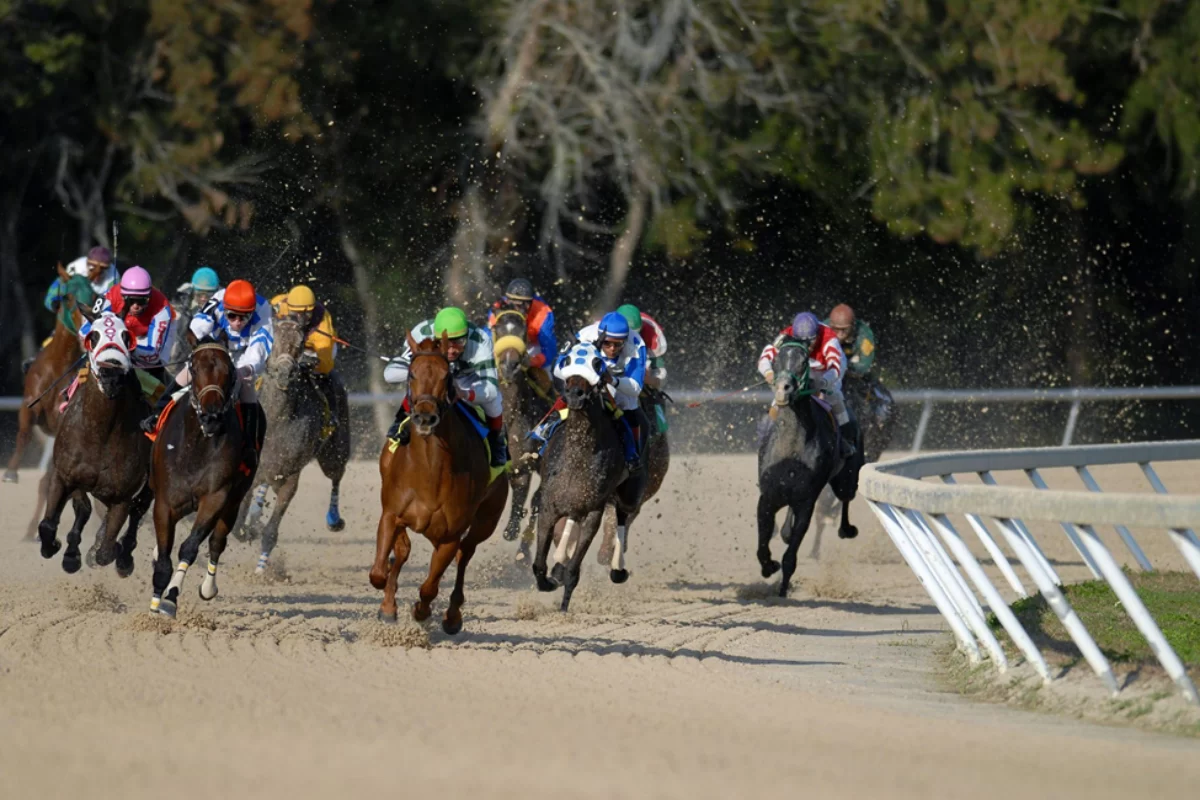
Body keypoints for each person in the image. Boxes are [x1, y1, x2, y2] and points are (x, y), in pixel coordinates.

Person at [140, 279, 273, 466]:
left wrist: (248, 367)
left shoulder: (263, 309)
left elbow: (260, 345)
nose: (237, 322)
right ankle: (156, 414)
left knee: (247, 385)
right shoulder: (218, 299)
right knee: (186, 373)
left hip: (244, 354)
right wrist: (202, 350)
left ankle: (249, 446)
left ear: (252, 312)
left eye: (244, 317)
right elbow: (199, 325)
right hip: (214, 346)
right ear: (225, 308)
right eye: (232, 316)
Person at [384, 307, 509, 468]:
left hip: (466, 378)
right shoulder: (422, 334)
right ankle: (400, 421)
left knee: (495, 400)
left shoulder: (480, 340)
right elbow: (389, 374)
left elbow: (490, 388)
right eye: (446, 343)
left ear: (467, 337)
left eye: (459, 342)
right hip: (434, 377)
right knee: (420, 381)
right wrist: (423, 368)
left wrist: (465, 394)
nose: (451, 349)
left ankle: (496, 439)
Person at [531, 311, 648, 472]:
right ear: (600, 337)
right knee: (568, 397)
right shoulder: (584, 335)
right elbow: (558, 368)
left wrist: (611, 380)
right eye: (607, 343)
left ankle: (632, 455)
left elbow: (635, 387)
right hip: (586, 378)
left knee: (631, 411)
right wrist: (582, 375)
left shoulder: (637, 344)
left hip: (618, 380)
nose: (613, 349)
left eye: (618, 344)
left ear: (625, 340)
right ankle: (543, 433)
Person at [757, 311, 856, 458]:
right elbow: (765, 357)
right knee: (777, 403)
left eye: (811, 340)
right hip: (799, 372)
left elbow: (837, 367)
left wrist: (823, 382)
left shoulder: (829, 339)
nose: (807, 346)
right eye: (801, 340)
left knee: (835, 398)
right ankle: (764, 437)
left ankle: (846, 441)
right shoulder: (786, 335)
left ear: (817, 333)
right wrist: (769, 373)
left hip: (825, 373)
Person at [80, 266, 177, 394]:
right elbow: (84, 330)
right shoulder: (110, 296)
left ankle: (164, 398)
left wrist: (123, 348)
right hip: (121, 335)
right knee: (85, 358)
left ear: (149, 296)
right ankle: (70, 390)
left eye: (142, 301)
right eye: (131, 300)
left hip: (148, 339)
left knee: (155, 366)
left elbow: (153, 355)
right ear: (122, 295)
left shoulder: (162, 308)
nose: (136, 306)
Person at [269, 284, 347, 436]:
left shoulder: (322, 324)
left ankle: (331, 415)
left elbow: (325, 364)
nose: (298, 319)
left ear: (311, 311)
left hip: (315, 348)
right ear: (287, 306)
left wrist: (310, 364)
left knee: (324, 377)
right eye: (294, 313)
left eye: (304, 315)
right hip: (289, 346)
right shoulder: (279, 304)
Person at [486, 277, 557, 396]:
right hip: (505, 345)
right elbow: (489, 339)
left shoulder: (543, 313)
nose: (518, 309)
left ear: (531, 303)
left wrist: (532, 361)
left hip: (533, 346)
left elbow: (550, 350)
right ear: (507, 301)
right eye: (514, 304)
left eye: (522, 305)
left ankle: (553, 405)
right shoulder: (497, 309)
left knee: (548, 373)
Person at [44, 246, 117, 313]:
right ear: (87, 263)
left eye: (103, 268)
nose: (98, 271)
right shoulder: (74, 270)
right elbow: (53, 293)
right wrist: (53, 303)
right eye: (93, 266)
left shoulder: (113, 278)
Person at [616, 303, 667, 389]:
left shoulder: (653, 335)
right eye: (628, 335)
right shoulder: (599, 329)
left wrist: (651, 380)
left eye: (636, 334)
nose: (632, 338)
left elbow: (660, 371)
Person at [825, 303, 876, 379]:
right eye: (836, 329)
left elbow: (865, 365)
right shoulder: (823, 329)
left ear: (852, 326)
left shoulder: (864, 335)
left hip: (852, 370)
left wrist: (844, 367)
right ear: (831, 325)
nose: (840, 334)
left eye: (845, 329)